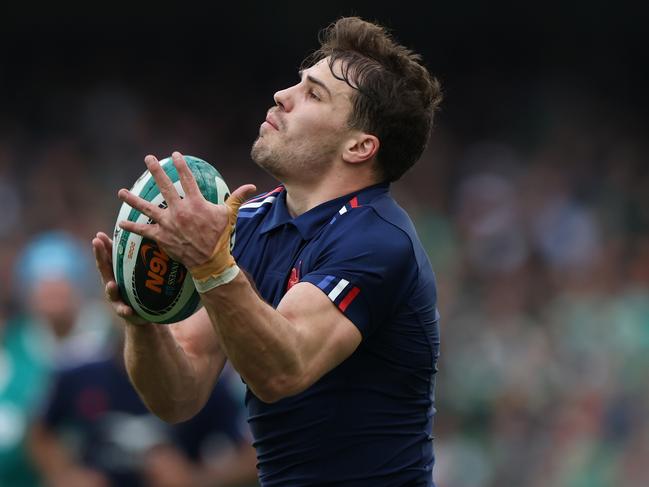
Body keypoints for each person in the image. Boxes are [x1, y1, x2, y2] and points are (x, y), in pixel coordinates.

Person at [93, 16, 443, 486]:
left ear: (360, 146)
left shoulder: (378, 239)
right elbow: (178, 397)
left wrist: (212, 264)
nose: (283, 95)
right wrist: (143, 322)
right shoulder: (250, 224)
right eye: (298, 83)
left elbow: (284, 370)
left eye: (314, 94)